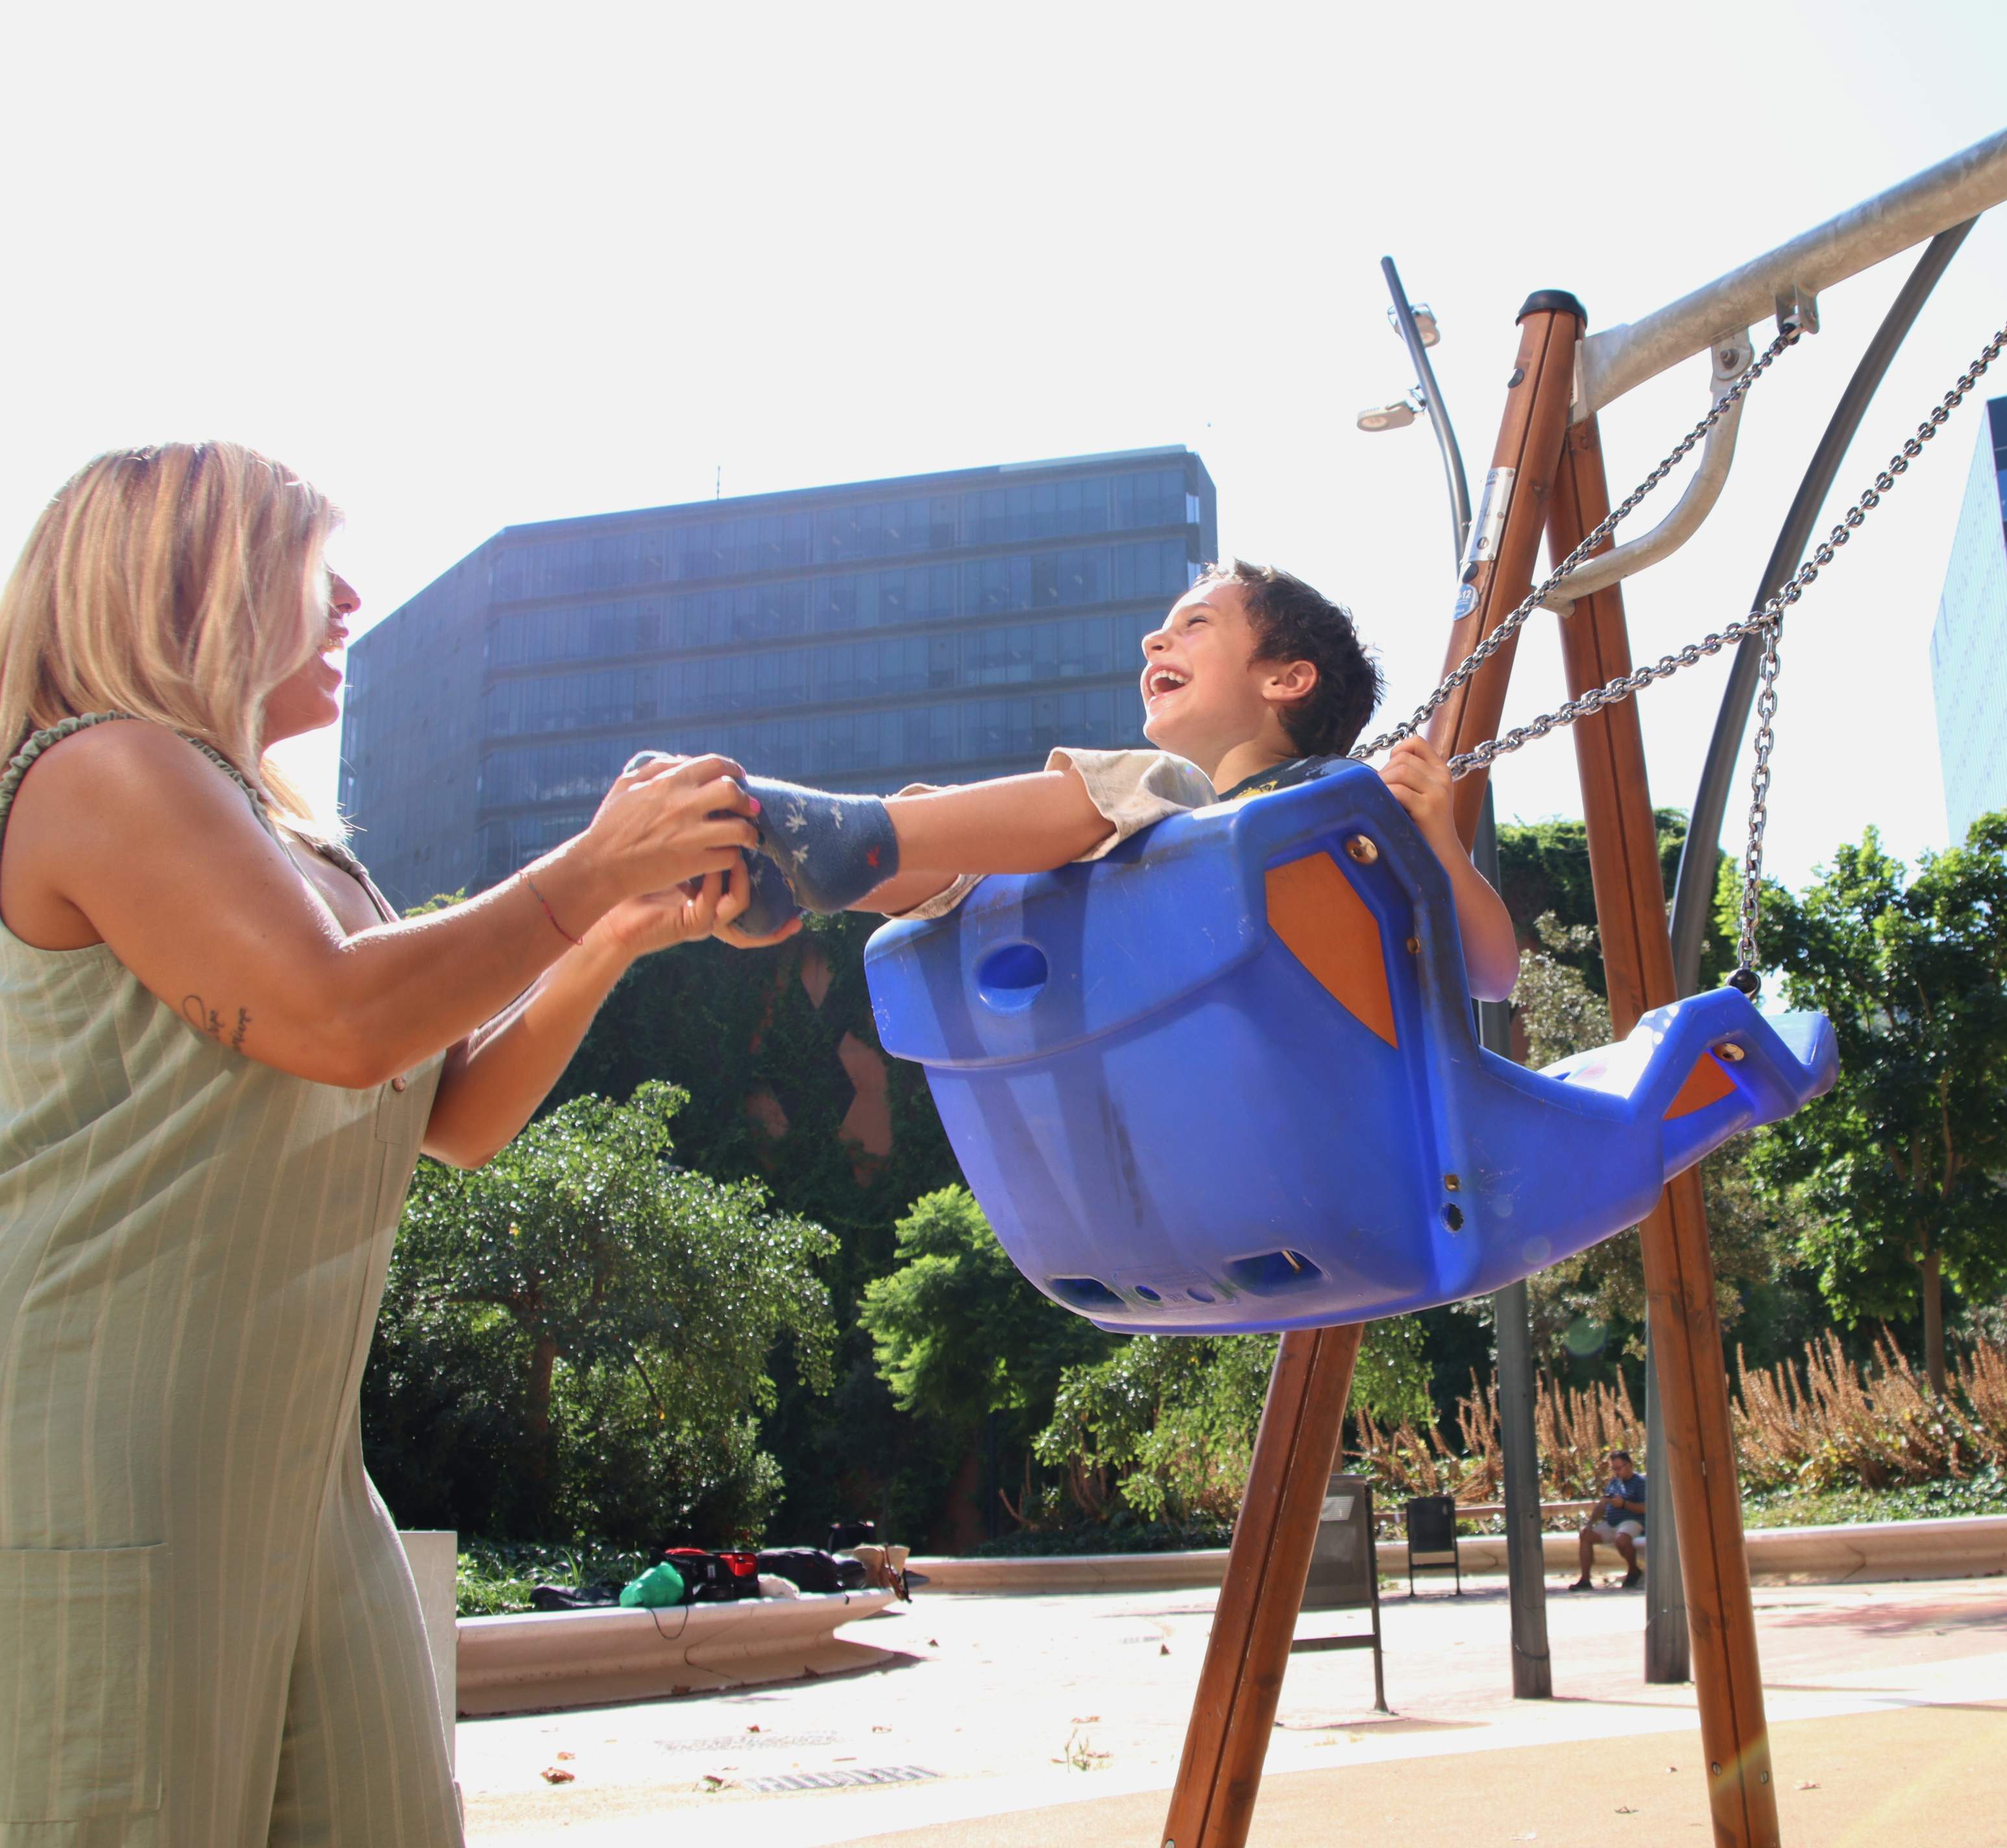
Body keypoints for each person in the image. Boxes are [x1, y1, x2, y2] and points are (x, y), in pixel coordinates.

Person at [0, 443, 772, 1846]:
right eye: (312, 560)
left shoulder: (302, 849)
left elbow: (452, 1116)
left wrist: (607, 933)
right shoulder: (101, 767)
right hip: (103, 1465)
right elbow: (339, 1022)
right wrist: (579, 870)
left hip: (311, 1483)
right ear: (199, 576)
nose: (348, 597)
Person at [712, 559, 1520, 999]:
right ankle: (807, 868)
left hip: (1302, 1051)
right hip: (1167, 1043)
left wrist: (1440, 848)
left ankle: (858, 837)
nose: (1150, 643)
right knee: (999, 841)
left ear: (1286, 680)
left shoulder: (1339, 799)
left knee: (1161, 790)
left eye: (1193, 625)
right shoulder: (1148, 828)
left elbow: (1492, 974)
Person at [1565, 1450, 1647, 1591]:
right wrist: (1590, 1523)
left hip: (1632, 1521)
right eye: (1614, 1469)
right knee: (1585, 1535)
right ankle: (1585, 1579)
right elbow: (1602, 1505)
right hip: (1612, 1524)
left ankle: (1633, 1571)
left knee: (1621, 1538)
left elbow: (1645, 1508)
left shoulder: (1640, 1482)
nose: (1616, 1472)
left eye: (1619, 1468)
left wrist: (1624, 1504)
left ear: (1629, 1465)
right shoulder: (1614, 1483)